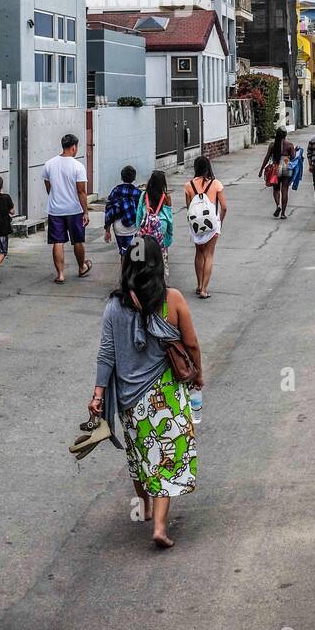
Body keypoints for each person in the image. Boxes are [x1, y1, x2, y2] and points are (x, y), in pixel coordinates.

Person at [90, 235, 200, 549]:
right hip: (165, 394)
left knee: (140, 456)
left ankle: (147, 507)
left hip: (129, 401)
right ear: (157, 265)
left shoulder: (114, 304)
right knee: (168, 456)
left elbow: (106, 355)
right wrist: (198, 375)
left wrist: (98, 395)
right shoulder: (172, 299)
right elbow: (191, 344)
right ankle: (160, 527)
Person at [43, 133, 92, 283]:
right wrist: (86, 211)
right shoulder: (78, 166)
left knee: (58, 241)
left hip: (55, 209)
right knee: (77, 240)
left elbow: (48, 186)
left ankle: (60, 275)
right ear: (73, 147)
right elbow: (81, 191)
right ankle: (82, 267)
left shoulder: (49, 164)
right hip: (74, 210)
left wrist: (56, 197)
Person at [185, 156, 227, 299]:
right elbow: (224, 207)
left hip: (196, 226)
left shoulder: (189, 185)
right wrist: (219, 221)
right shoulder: (216, 184)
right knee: (209, 255)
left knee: (199, 253)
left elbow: (188, 208)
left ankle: (198, 285)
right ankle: (204, 289)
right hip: (212, 224)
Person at [135, 170, 174, 269]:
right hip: (161, 227)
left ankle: (145, 275)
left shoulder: (144, 195)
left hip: (146, 228)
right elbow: (169, 218)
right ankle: (162, 278)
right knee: (162, 253)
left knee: (144, 255)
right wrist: (169, 233)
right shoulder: (166, 197)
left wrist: (139, 229)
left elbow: (139, 214)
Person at [259, 126, 297, 219]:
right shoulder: (289, 145)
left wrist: (261, 169)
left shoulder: (272, 145)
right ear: (285, 134)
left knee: (276, 189)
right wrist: (295, 151)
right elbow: (293, 158)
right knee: (285, 189)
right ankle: (283, 213)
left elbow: (267, 157)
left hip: (275, 167)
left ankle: (278, 205)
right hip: (286, 165)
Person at [104, 165, 141, 260]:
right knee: (135, 256)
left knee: (123, 253)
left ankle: (124, 273)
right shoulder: (138, 193)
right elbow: (141, 212)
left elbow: (108, 210)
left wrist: (107, 231)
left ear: (121, 177)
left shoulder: (115, 191)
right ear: (134, 178)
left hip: (118, 227)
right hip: (133, 227)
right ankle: (134, 274)